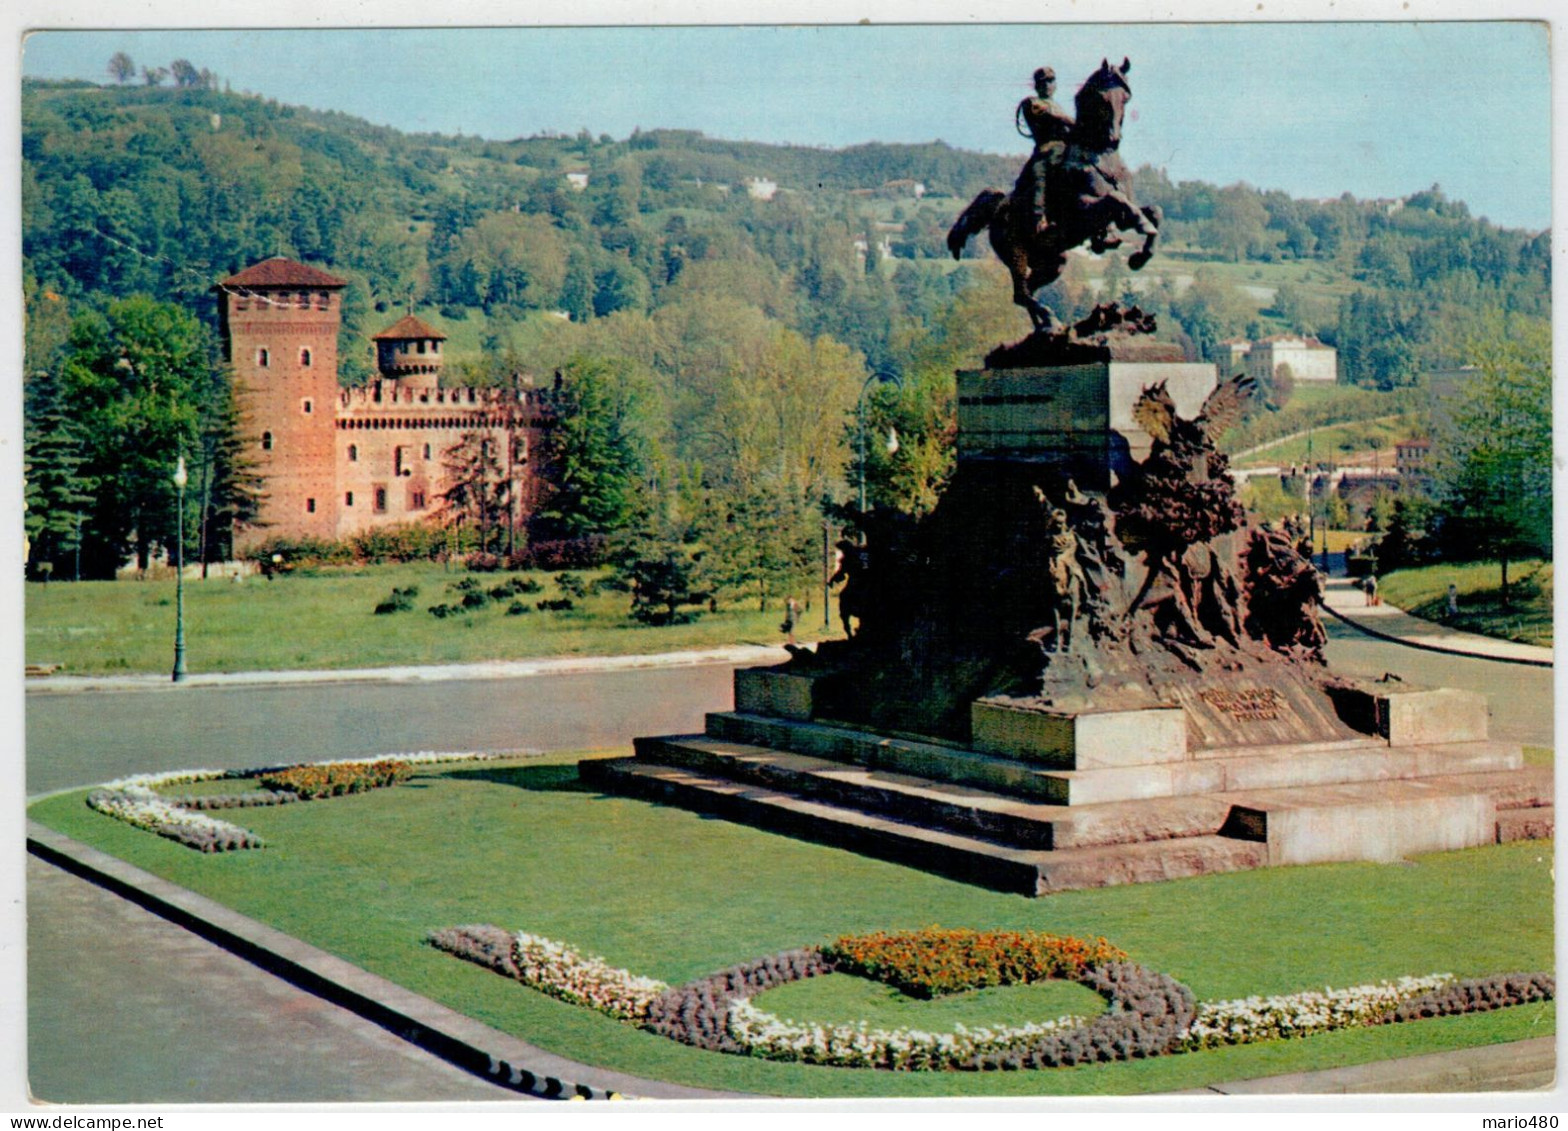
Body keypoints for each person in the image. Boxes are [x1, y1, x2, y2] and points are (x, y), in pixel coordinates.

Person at [1014, 67, 1075, 234]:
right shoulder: (1032, 103)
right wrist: (1076, 124)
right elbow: (1054, 116)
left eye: (1051, 81)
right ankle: (1038, 218)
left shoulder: (1058, 105)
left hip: (1065, 149)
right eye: (1043, 82)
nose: (1047, 85)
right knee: (1040, 174)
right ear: (1036, 86)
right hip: (1046, 149)